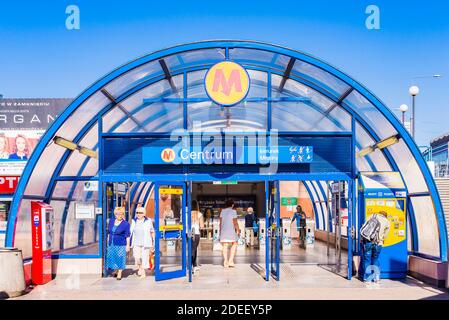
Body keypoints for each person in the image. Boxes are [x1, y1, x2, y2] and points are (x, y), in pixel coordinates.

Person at [360, 211, 390, 283]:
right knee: (375, 259)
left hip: (368, 241)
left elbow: (364, 227)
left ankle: (367, 278)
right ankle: (376, 278)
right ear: (385, 216)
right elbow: (385, 235)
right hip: (378, 243)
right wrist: (381, 238)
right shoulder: (387, 221)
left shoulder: (372, 216)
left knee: (367, 260)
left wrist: (362, 239)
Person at [106, 206, 131, 280]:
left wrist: (128, 245)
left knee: (120, 258)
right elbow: (109, 233)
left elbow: (127, 235)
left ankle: (120, 272)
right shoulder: (111, 221)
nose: (119, 215)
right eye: (117, 214)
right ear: (115, 214)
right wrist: (108, 242)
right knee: (113, 257)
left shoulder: (125, 224)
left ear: (123, 214)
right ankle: (116, 270)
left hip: (120, 244)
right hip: (111, 244)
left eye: (121, 214)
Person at [130, 206, 155, 278]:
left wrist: (153, 242)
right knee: (137, 257)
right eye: (137, 212)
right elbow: (130, 232)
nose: (138, 214)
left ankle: (143, 272)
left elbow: (152, 231)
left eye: (140, 213)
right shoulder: (134, 221)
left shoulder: (148, 221)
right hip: (136, 243)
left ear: (144, 214)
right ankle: (140, 267)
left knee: (145, 257)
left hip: (146, 243)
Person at [219, 199, 241, 268]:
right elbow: (235, 222)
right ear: (232, 205)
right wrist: (238, 230)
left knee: (225, 245)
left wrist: (220, 232)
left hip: (224, 230)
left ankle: (225, 261)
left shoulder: (222, 211)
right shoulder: (233, 211)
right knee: (234, 243)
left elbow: (220, 222)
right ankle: (231, 261)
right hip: (231, 230)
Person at [191, 200, 204, 273]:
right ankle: (193, 265)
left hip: (189, 232)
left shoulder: (187, 214)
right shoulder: (199, 214)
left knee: (191, 249)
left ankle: (194, 265)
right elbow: (202, 226)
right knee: (194, 249)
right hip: (195, 232)